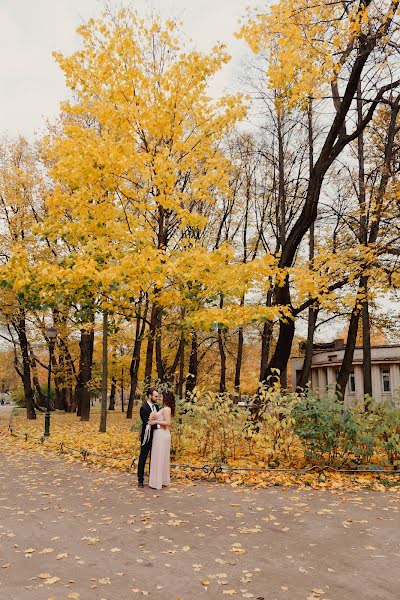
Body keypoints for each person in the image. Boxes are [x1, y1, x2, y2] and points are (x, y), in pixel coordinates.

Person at [148, 390, 175, 490]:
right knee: (160, 456)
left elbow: (168, 423)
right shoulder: (164, 408)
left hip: (162, 435)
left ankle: (158, 482)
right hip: (160, 433)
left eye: (162, 396)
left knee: (159, 456)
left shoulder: (166, 409)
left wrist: (155, 421)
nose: (160, 398)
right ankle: (161, 480)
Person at [137, 388, 160, 488]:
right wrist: (156, 422)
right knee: (143, 457)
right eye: (155, 396)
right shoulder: (144, 408)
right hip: (147, 436)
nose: (157, 398)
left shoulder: (157, 407)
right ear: (150, 396)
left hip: (156, 436)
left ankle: (152, 479)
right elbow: (146, 422)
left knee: (154, 458)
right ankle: (140, 479)